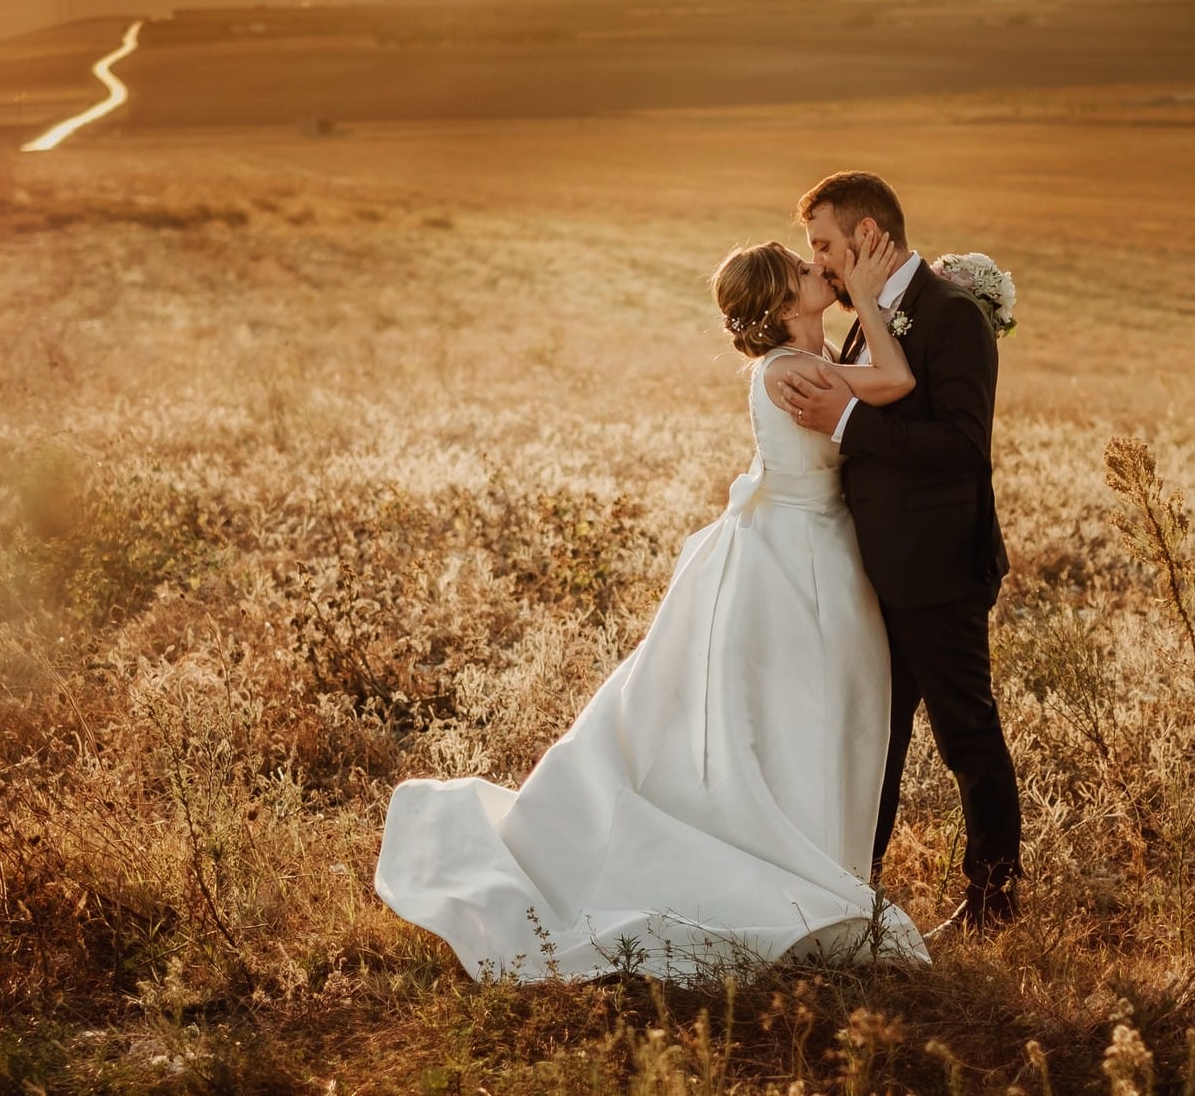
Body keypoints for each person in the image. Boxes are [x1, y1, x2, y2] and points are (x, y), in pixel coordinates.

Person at [374, 233, 931, 981]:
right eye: (804, 270)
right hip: (791, 559)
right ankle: (787, 872)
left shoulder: (814, 356)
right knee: (796, 709)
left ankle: (820, 859)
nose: (818, 268)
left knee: (822, 712)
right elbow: (894, 381)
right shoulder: (793, 372)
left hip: (819, 548)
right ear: (779, 302)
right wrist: (867, 292)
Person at [779, 170, 1022, 932]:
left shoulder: (951, 316)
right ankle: (856, 892)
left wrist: (846, 422)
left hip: (941, 570)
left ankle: (993, 901)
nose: (816, 260)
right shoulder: (870, 316)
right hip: (882, 574)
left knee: (967, 736)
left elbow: (960, 445)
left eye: (824, 243)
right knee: (875, 741)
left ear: (868, 237)